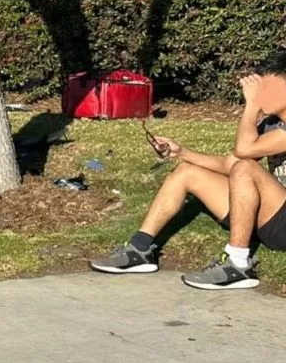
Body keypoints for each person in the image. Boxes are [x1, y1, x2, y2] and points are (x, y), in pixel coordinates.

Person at [91, 52, 286, 290]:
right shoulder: (271, 124)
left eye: (267, 88)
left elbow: (244, 151)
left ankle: (238, 265)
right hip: (272, 216)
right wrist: (182, 152)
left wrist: (251, 107)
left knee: (246, 167)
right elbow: (229, 165)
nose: (259, 93)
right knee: (187, 172)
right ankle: (139, 250)